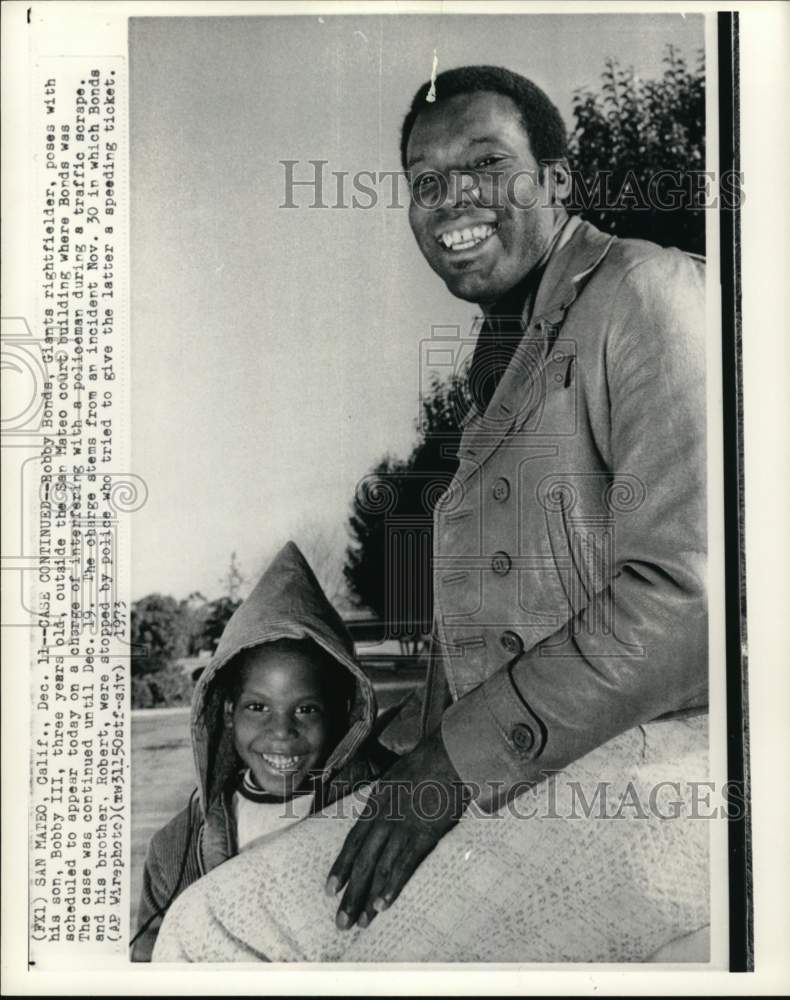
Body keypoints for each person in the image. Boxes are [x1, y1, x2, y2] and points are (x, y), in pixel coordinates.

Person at [153, 64, 710, 962]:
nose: (454, 198)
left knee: (347, 960)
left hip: (668, 771)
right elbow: (496, 634)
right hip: (532, 771)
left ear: (559, 179)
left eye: (487, 163)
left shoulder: (645, 292)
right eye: (425, 181)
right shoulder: (510, 361)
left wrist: (451, 763)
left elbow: (690, 604)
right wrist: (395, 756)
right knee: (207, 920)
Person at [131, 541, 394, 960]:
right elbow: (151, 959)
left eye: (307, 709)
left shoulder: (385, 808)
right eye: (258, 707)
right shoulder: (176, 849)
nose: (281, 732)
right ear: (228, 712)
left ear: (345, 712)